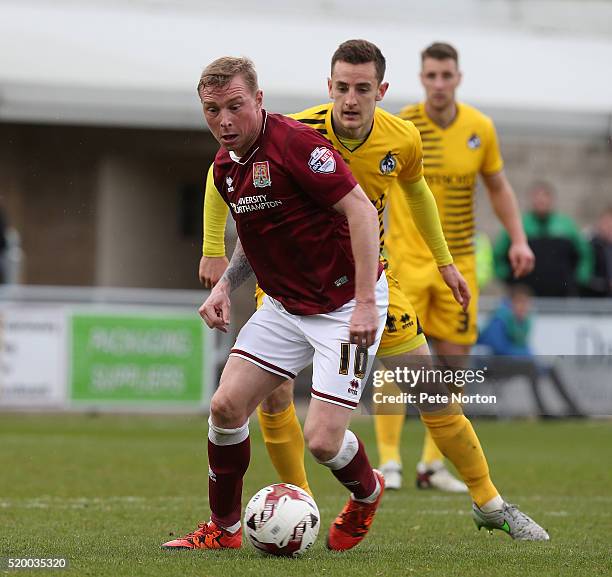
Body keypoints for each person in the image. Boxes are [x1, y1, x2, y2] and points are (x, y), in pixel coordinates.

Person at [199, 40, 549, 541]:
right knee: (266, 399)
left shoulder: (400, 138)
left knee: (428, 391)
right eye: (341, 87)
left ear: (380, 91)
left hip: (364, 286)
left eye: (362, 89)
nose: (350, 99)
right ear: (328, 87)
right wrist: (215, 253)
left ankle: (490, 501)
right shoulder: (292, 130)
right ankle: (298, 504)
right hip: (288, 289)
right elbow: (229, 182)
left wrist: (445, 262)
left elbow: (416, 194)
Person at [163, 55, 389, 552]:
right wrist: (224, 287)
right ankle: (222, 530)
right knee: (225, 407)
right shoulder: (225, 168)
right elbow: (255, 238)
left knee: (323, 442)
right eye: (212, 110)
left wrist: (368, 303)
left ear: (259, 101)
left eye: (235, 106)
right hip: (287, 307)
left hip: (346, 304)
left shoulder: (298, 146)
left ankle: (368, 492)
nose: (224, 121)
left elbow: (360, 211)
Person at [383, 42, 535, 491]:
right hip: (407, 259)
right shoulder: (401, 125)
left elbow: (499, 186)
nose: (438, 84)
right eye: (431, 75)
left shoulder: (479, 129)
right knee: (399, 360)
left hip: (460, 261)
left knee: (454, 361)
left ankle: (431, 465)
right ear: (421, 78)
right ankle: (390, 460)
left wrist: (520, 239)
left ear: (458, 78)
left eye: (446, 75)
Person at [494, 181, 592, 296]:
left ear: (551, 200)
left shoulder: (566, 226)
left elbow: (585, 254)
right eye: (537, 197)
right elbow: (498, 255)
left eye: (545, 196)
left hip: (561, 296)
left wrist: (579, 280)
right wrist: (509, 278)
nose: (541, 201)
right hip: (526, 298)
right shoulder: (519, 226)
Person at [582, 207, 612, 297]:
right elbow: (584, 277)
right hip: (596, 300)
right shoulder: (590, 247)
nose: (609, 228)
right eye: (606, 224)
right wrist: (606, 284)